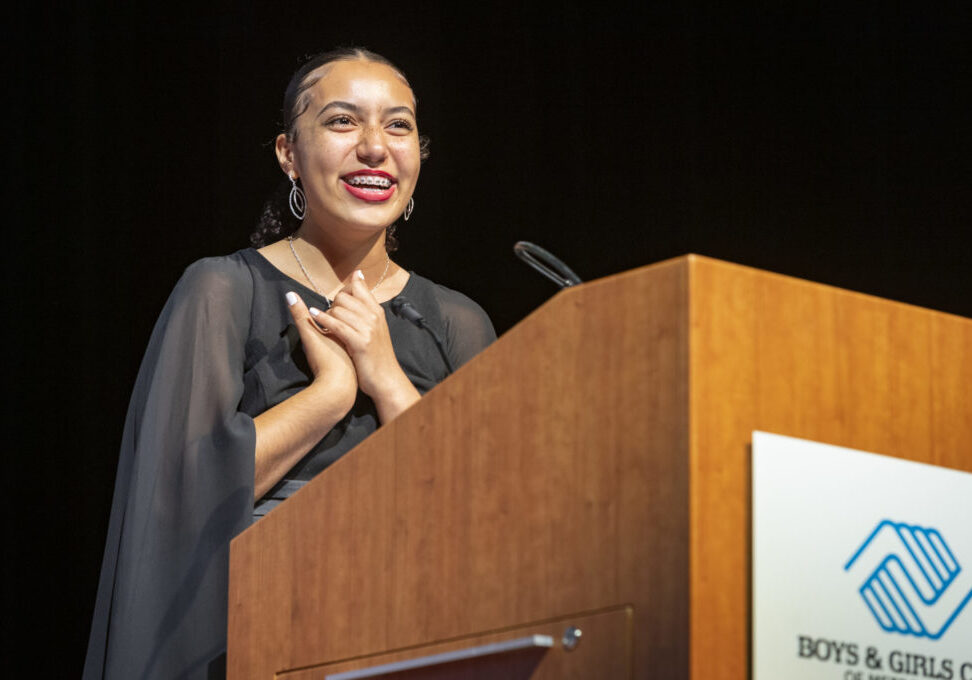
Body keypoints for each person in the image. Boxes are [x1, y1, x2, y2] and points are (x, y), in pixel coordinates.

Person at [83, 48, 495, 680]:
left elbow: (490, 523)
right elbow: (175, 501)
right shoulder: (223, 289)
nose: (374, 147)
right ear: (288, 154)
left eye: (398, 125)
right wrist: (330, 393)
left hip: (415, 637)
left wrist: (387, 382)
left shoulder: (456, 323)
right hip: (254, 637)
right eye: (341, 122)